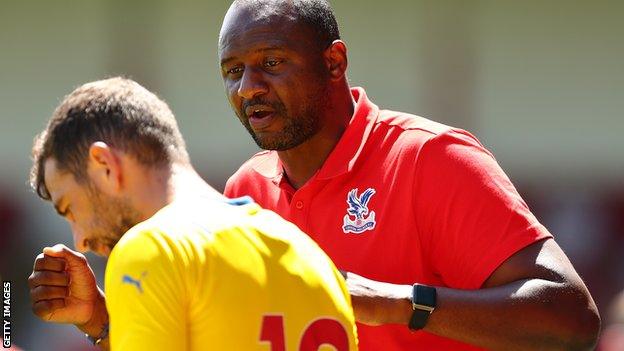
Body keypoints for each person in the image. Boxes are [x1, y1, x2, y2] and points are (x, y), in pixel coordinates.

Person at [218, 0, 600, 349]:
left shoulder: (431, 158)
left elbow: (573, 320)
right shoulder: (244, 192)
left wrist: (400, 303)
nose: (249, 88)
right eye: (234, 71)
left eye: (272, 63)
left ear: (334, 61)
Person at [27, 77, 358, 350]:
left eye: (70, 209)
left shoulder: (151, 250)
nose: (80, 240)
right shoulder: (312, 258)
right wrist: (100, 320)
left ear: (104, 166)